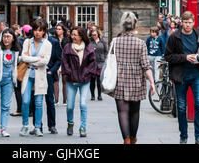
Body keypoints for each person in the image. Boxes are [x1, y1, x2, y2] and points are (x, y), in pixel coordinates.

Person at [108, 12, 155, 144]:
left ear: (122, 25)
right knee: (134, 112)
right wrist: (152, 82)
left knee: (122, 112)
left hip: (119, 81)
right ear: (135, 25)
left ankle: (126, 140)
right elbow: (146, 66)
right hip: (136, 81)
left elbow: (111, 61)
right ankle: (133, 139)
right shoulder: (140, 43)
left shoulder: (115, 42)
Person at [164, 11, 199, 144]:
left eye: (190, 22)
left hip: (196, 75)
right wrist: (185, 57)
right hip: (180, 76)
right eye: (185, 22)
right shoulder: (174, 37)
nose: (188, 25)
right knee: (181, 107)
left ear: (193, 23)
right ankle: (183, 135)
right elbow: (168, 56)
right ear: (181, 22)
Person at [61, 26, 97, 138]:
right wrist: (69, 72)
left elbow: (92, 63)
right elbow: (64, 62)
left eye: (75, 34)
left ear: (81, 36)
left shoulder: (88, 48)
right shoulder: (67, 47)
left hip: (84, 80)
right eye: (72, 34)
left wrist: (87, 73)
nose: (73, 36)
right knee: (70, 106)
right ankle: (70, 123)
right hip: (71, 81)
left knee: (83, 104)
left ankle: (83, 127)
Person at [19, 19, 52, 137]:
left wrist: (31, 60)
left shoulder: (48, 44)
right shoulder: (27, 42)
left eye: (40, 30)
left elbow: (45, 61)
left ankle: (37, 127)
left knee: (38, 103)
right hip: (28, 75)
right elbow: (23, 57)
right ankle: (25, 125)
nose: (38, 33)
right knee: (26, 101)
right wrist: (38, 58)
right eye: (36, 30)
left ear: (44, 32)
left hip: (40, 76)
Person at [89, 27, 108, 101]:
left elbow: (106, 51)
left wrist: (105, 59)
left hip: (101, 62)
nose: (94, 36)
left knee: (99, 80)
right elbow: (86, 51)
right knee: (92, 80)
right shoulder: (89, 41)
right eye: (92, 35)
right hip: (92, 63)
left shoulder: (102, 41)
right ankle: (92, 95)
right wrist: (91, 50)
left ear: (98, 34)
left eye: (95, 35)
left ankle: (99, 95)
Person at [54, 23, 68, 105]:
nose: (58, 30)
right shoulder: (54, 39)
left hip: (65, 61)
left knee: (64, 81)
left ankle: (65, 100)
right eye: (57, 29)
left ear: (63, 30)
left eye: (59, 29)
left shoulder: (66, 39)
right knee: (56, 80)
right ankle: (56, 100)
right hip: (57, 61)